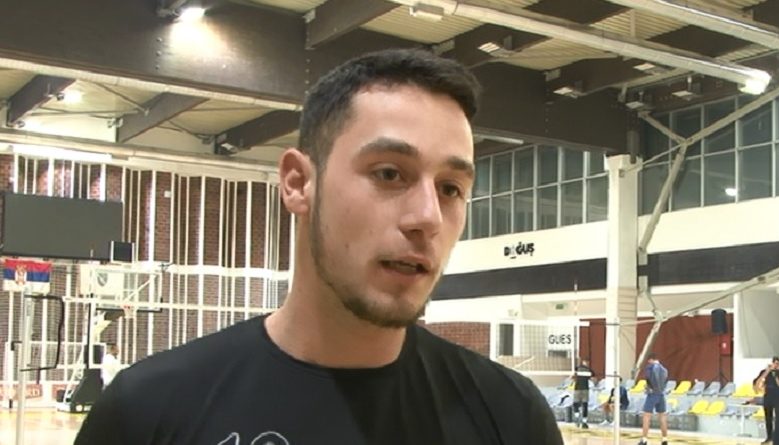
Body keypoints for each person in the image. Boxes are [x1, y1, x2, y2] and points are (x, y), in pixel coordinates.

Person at [74, 49, 564, 445]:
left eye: (451, 188)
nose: (428, 217)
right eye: (389, 174)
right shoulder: (147, 410)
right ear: (298, 182)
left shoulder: (510, 415)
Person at [638, 353, 669, 445]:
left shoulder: (650, 367)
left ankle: (644, 439)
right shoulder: (664, 369)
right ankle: (664, 439)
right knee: (662, 417)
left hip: (652, 394)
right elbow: (665, 381)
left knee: (646, 417)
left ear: (650, 359)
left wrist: (648, 387)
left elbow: (648, 379)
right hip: (661, 394)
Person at [756, 356, 779, 443]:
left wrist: (778, 372)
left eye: (778, 364)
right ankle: (769, 437)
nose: (777, 365)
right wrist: (768, 370)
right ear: (772, 363)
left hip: (778, 397)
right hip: (768, 396)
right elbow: (759, 381)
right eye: (776, 363)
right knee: (768, 418)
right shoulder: (765, 372)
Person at [572, 358, 595, 428]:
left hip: (583, 389)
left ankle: (582, 421)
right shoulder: (579, 369)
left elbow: (593, 376)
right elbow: (593, 376)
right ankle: (579, 419)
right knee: (579, 404)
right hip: (580, 389)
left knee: (582, 405)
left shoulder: (586, 370)